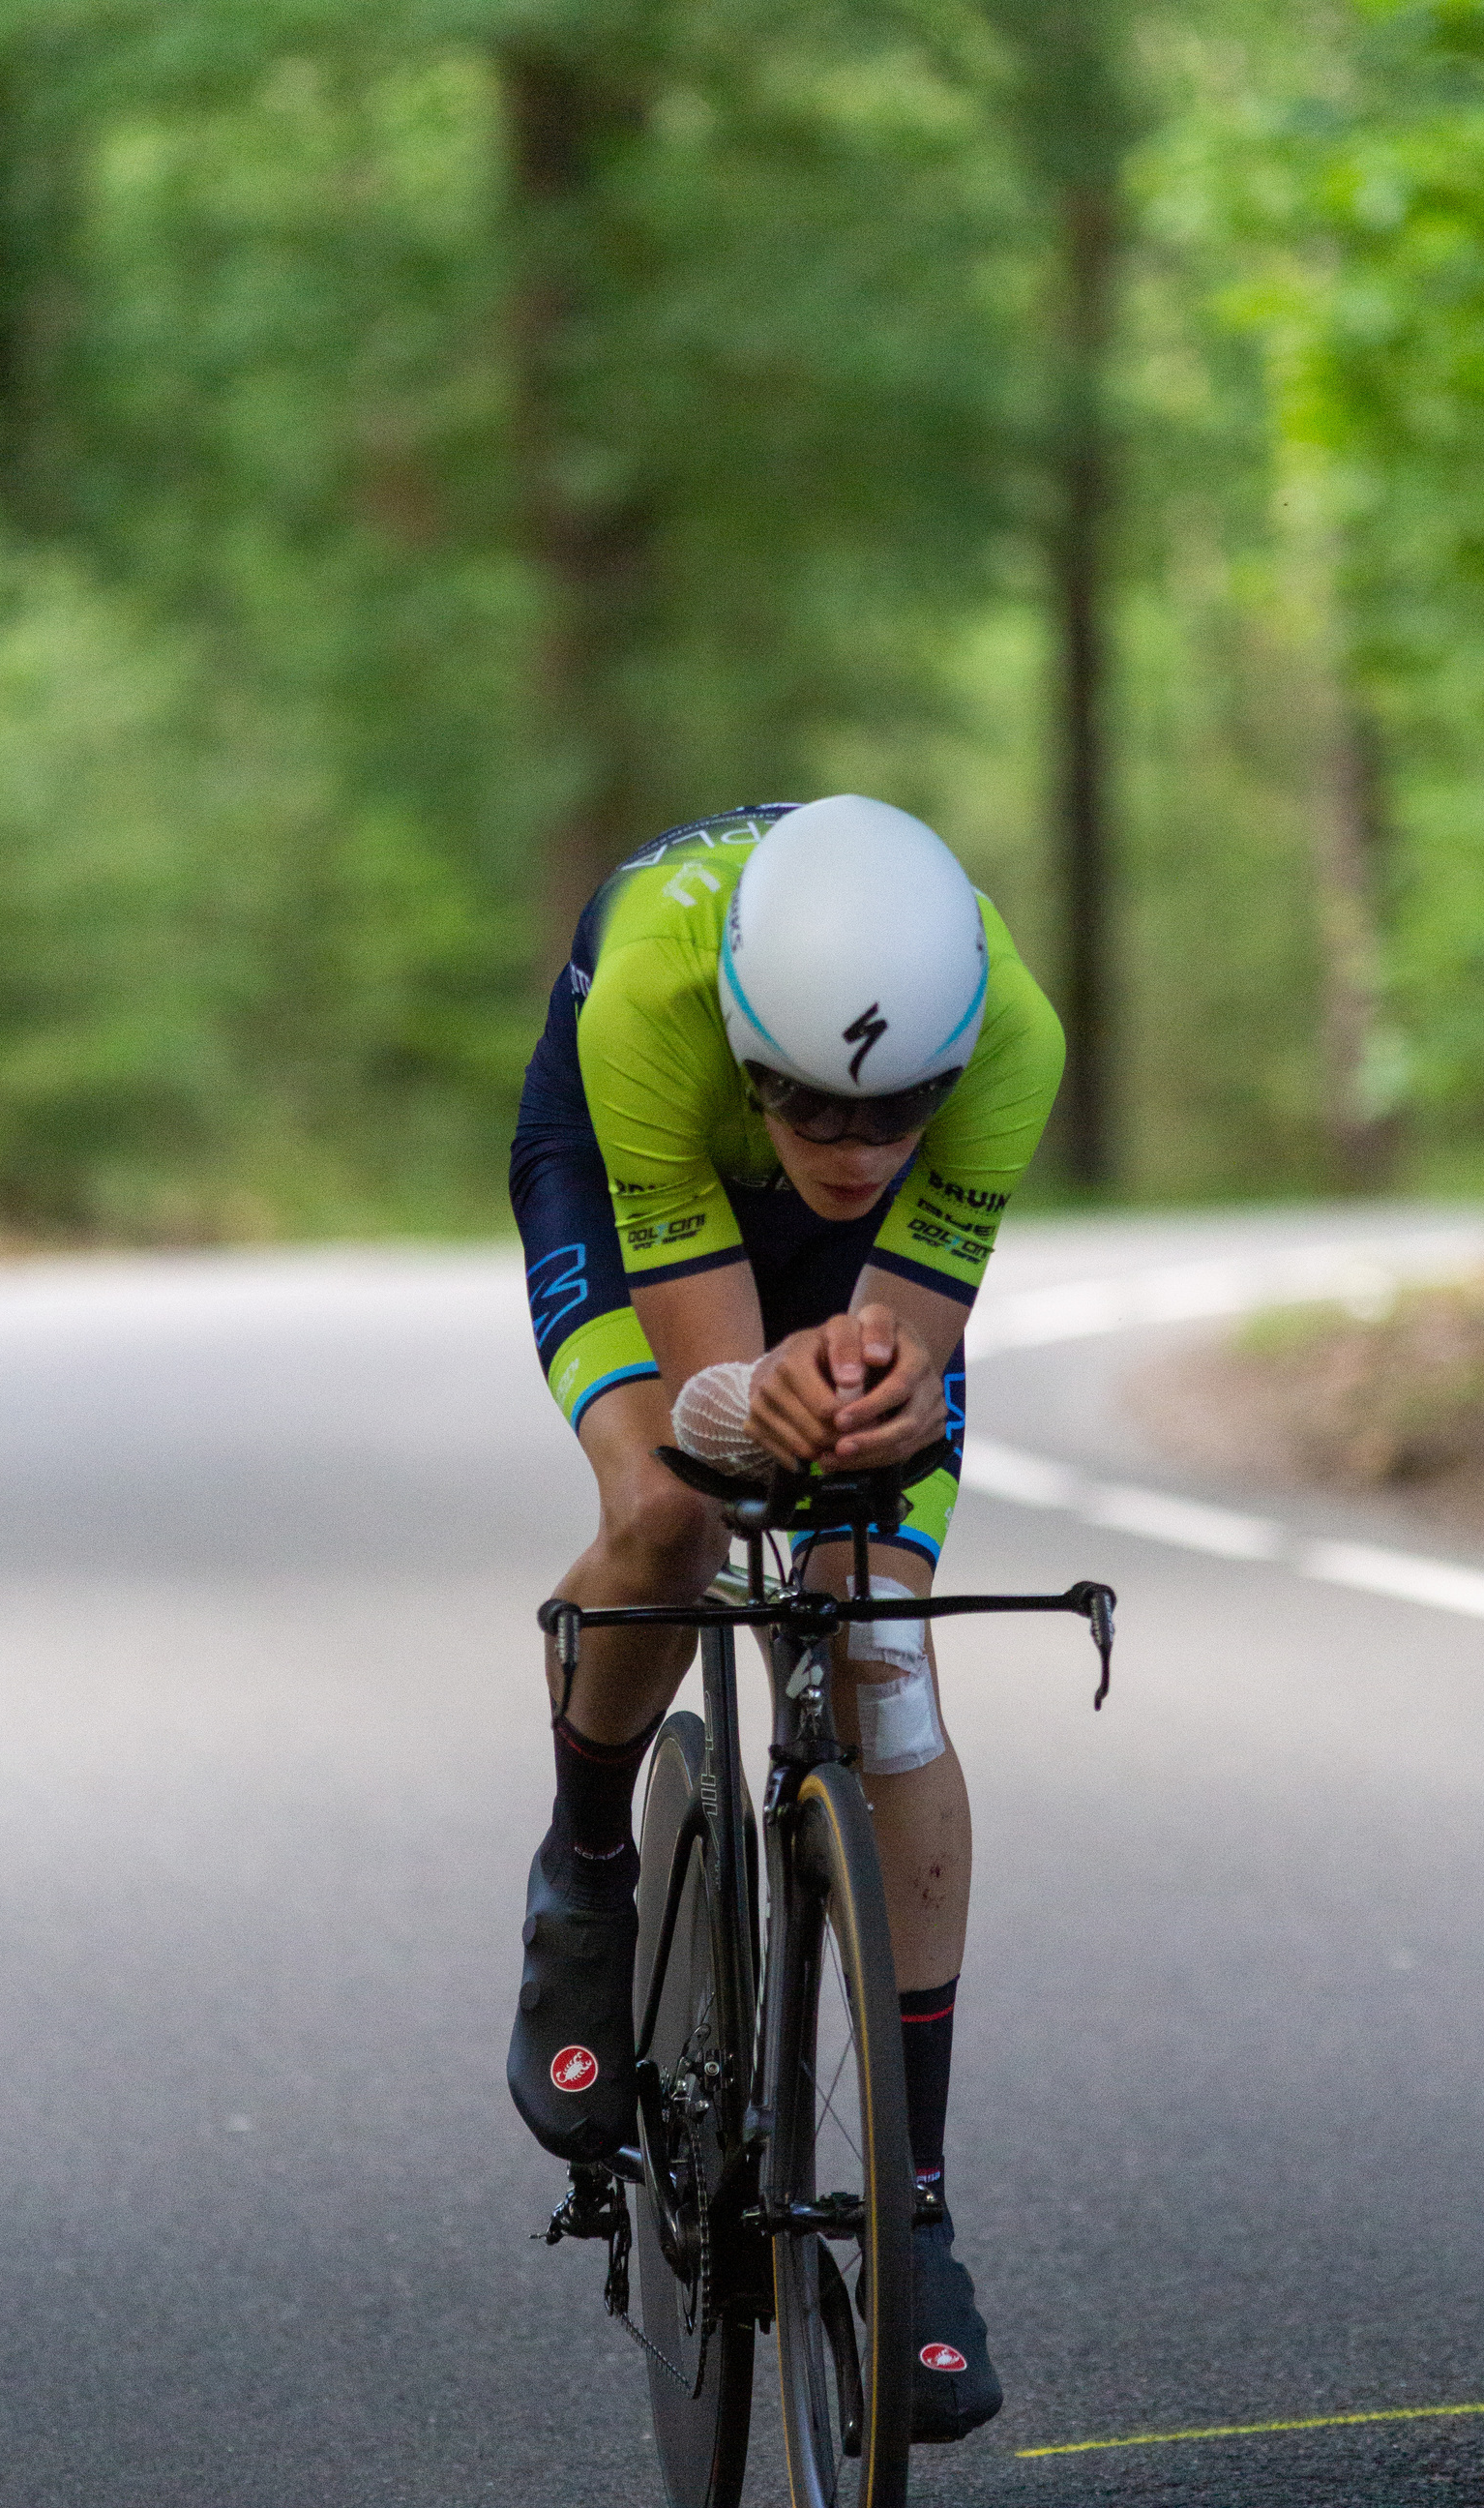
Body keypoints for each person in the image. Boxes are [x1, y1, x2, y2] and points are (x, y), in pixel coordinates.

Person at [507, 793, 1064, 2444]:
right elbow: (719, 1402)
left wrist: (871, 1407)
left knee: (884, 1644)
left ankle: (920, 2212)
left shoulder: (1012, 1035)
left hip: (842, 1252)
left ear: (956, 1064)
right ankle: (585, 1865)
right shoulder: (655, 1008)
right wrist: (775, 1415)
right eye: (809, 1101)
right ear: (749, 1045)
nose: (851, 1144)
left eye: (898, 1108)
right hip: (637, 1173)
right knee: (671, 1507)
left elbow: (889, 1352)